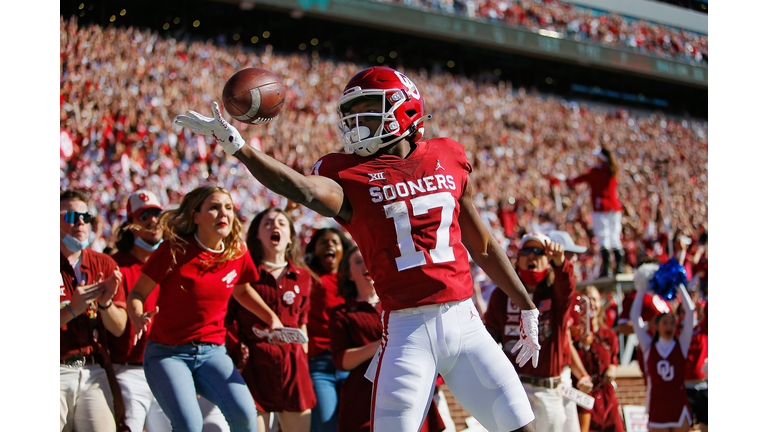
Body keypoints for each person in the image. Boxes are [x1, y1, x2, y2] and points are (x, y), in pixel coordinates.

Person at [176, 66, 540, 432]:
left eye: (366, 108)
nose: (355, 121)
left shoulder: (447, 155)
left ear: (403, 108)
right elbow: (302, 188)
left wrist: (526, 305)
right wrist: (241, 148)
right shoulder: (349, 175)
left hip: (467, 323)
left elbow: (484, 245)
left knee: (521, 427)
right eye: (350, 114)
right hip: (407, 331)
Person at [125, 185, 285, 432]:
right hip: (168, 354)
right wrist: (136, 315)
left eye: (229, 208)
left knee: (245, 415)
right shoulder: (173, 249)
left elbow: (241, 291)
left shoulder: (238, 252)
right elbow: (137, 293)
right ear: (195, 216)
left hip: (213, 354)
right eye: (214, 207)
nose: (224, 213)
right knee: (190, 425)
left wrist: (271, 318)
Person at [329, 246, 445, 432]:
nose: (365, 264)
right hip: (365, 394)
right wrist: (379, 345)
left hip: (408, 385)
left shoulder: (402, 303)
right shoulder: (341, 313)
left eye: (368, 258)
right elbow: (341, 361)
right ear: (349, 274)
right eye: (358, 261)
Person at [225, 207, 316, 432]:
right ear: (256, 235)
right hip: (252, 367)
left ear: (290, 238)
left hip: (294, 370)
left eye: (281, 223)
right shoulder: (244, 274)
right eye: (267, 223)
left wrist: (302, 360)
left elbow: (302, 321)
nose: (275, 227)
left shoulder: (304, 276)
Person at [484, 232, 576, 432]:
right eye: (526, 251)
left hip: (548, 390)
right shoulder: (501, 295)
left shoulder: (555, 294)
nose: (532, 256)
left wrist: (561, 263)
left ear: (548, 259)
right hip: (514, 389)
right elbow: (488, 337)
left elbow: (567, 286)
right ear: (517, 260)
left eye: (538, 251)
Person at [60, 189, 127, 432]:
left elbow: (119, 328)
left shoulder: (105, 263)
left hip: (92, 370)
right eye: (70, 216)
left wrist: (105, 304)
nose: (79, 222)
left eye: (85, 217)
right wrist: (71, 310)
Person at [109, 190, 172, 432]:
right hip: (128, 369)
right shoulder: (115, 264)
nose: (153, 220)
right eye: (144, 215)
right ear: (131, 226)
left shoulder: (174, 261)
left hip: (167, 367)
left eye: (157, 213)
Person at [630, 270, 694, 432]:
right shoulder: (648, 345)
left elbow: (691, 312)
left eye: (672, 323)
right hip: (657, 405)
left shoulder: (682, 344)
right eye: (665, 322)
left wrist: (679, 284)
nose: (669, 326)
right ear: (656, 326)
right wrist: (641, 289)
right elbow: (634, 318)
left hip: (678, 405)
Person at [303, 227, 353, 432]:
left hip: (352, 362)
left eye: (334, 242)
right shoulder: (306, 277)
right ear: (314, 251)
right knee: (326, 426)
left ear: (344, 250)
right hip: (319, 364)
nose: (329, 245)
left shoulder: (355, 281)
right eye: (322, 243)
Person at [572, 286, 624, 432]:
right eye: (586, 300)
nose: (591, 304)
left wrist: (613, 368)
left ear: (601, 304)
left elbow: (613, 359)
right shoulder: (572, 336)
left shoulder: (609, 335)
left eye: (594, 299)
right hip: (583, 403)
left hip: (607, 402)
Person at [566, 147, 624, 277]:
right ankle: (619, 266)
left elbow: (578, 179)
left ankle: (607, 269)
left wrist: (566, 180)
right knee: (615, 237)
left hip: (601, 208)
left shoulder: (596, 172)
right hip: (614, 208)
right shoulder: (612, 171)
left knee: (604, 238)